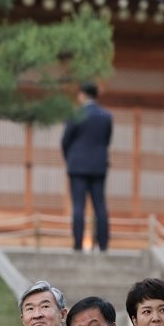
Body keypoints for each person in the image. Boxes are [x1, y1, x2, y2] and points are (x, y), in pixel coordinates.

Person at [62, 81, 112, 252]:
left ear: (82, 94)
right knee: (100, 206)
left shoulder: (77, 115)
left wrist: (71, 159)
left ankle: (78, 244)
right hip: (99, 166)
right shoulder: (106, 116)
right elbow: (106, 141)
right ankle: (103, 245)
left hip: (77, 166)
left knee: (78, 206)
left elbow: (66, 141)